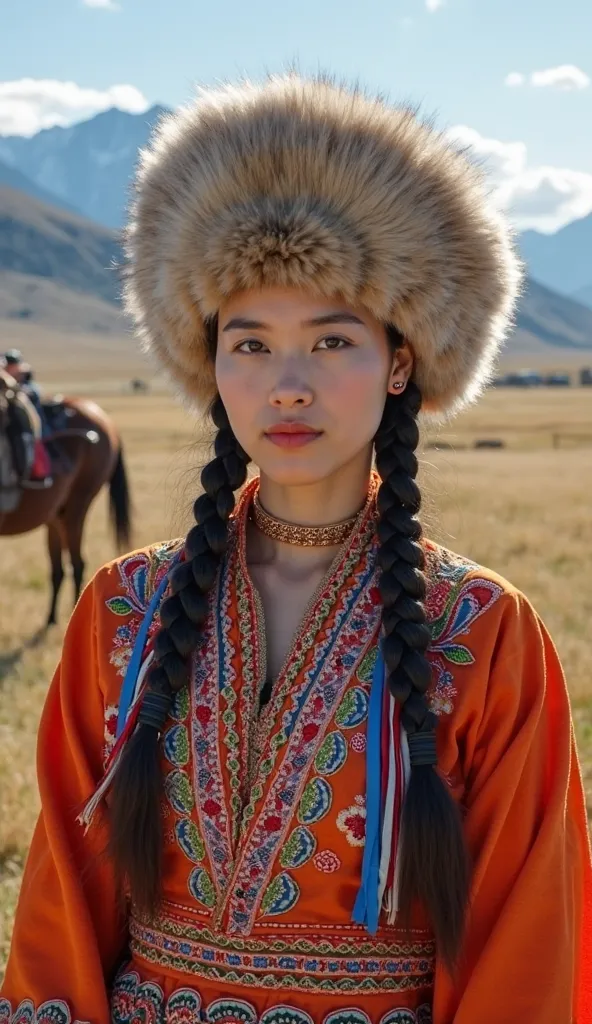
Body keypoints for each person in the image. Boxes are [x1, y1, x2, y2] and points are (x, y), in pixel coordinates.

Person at [1, 74, 590, 1024]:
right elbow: (62, 904)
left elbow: (527, 938)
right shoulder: (123, 609)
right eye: (249, 344)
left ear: (401, 361)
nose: (285, 386)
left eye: (329, 341)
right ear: (210, 363)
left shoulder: (484, 632)